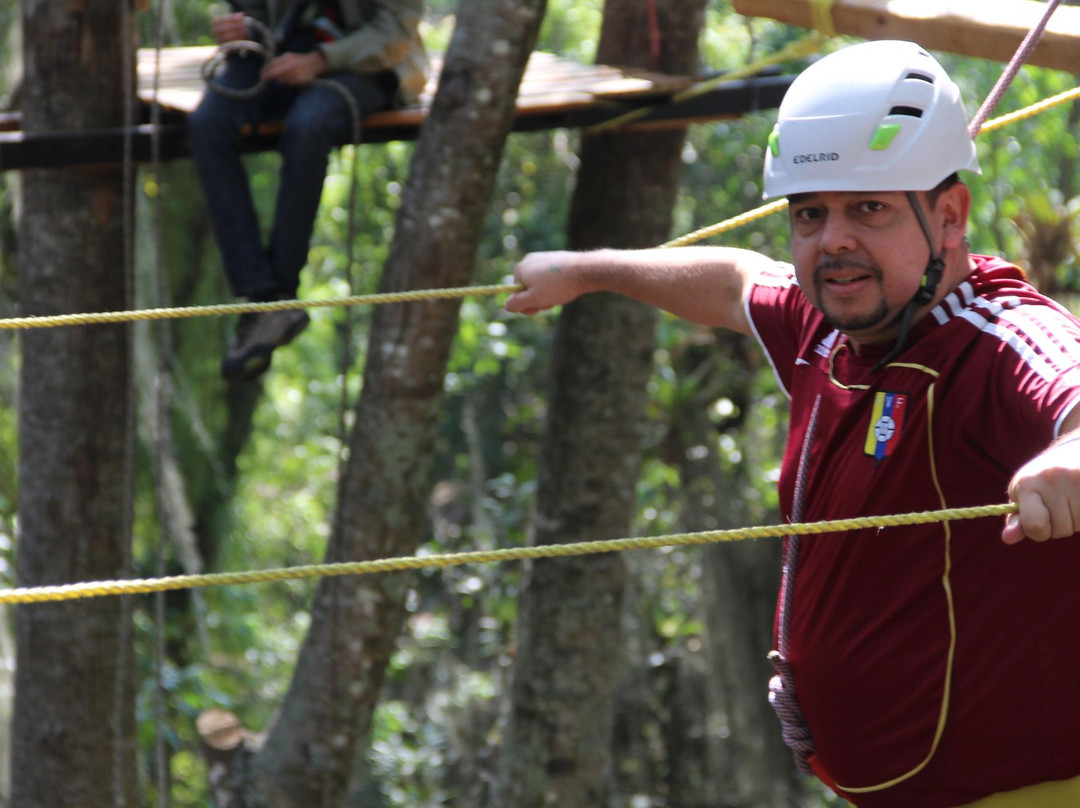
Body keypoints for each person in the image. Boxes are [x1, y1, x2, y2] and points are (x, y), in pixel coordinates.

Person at [505, 40, 1080, 808]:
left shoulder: (994, 339)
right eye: (810, 213)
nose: (833, 239)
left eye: (868, 208)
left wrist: (1070, 455)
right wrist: (587, 270)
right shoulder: (828, 328)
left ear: (949, 216)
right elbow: (734, 282)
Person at [188, 0, 427, 381]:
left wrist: (320, 60)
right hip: (278, 52)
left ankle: (277, 295)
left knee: (308, 125)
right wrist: (244, 29)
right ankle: (261, 294)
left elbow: (396, 31)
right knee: (207, 124)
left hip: (366, 62)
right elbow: (255, 13)